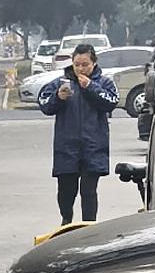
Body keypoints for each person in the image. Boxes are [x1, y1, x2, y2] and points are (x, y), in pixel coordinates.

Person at [36, 42, 117, 223]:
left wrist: (91, 87)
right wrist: (58, 97)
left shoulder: (104, 83)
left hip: (93, 145)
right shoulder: (61, 82)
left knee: (88, 191)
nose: (81, 69)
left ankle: (89, 225)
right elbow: (44, 104)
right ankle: (66, 220)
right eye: (77, 64)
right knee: (66, 190)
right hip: (67, 146)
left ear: (94, 63)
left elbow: (111, 102)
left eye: (85, 64)